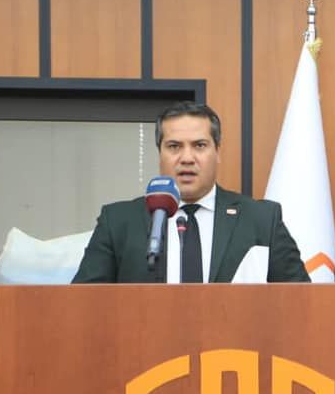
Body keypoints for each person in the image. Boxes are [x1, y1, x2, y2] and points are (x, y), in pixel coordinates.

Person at [72, 101, 309, 283]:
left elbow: (301, 303)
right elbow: (82, 306)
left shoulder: (262, 220)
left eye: (199, 145)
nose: (187, 158)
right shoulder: (118, 222)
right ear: (160, 154)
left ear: (217, 152)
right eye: (174, 146)